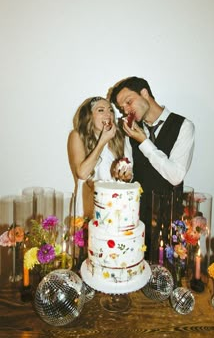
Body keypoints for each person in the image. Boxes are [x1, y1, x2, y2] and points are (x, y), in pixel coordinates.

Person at [109, 76, 195, 261]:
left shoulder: (184, 126)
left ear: (145, 93)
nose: (126, 110)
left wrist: (144, 142)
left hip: (170, 218)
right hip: (137, 219)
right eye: (122, 108)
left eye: (128, 101)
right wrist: (124, 173)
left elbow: (175, 176)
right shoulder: (130, 131)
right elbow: (130, 168)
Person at [67, 96, 131, 219]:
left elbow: (124, 177)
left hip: (114, 207)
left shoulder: (119, 138)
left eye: (111, 110)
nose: (108, 114)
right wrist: (102, 141)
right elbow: (83, 173)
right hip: (88, 207)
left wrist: (126, 175)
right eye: (101, 110)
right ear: (89, 116)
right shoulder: (77, 136)